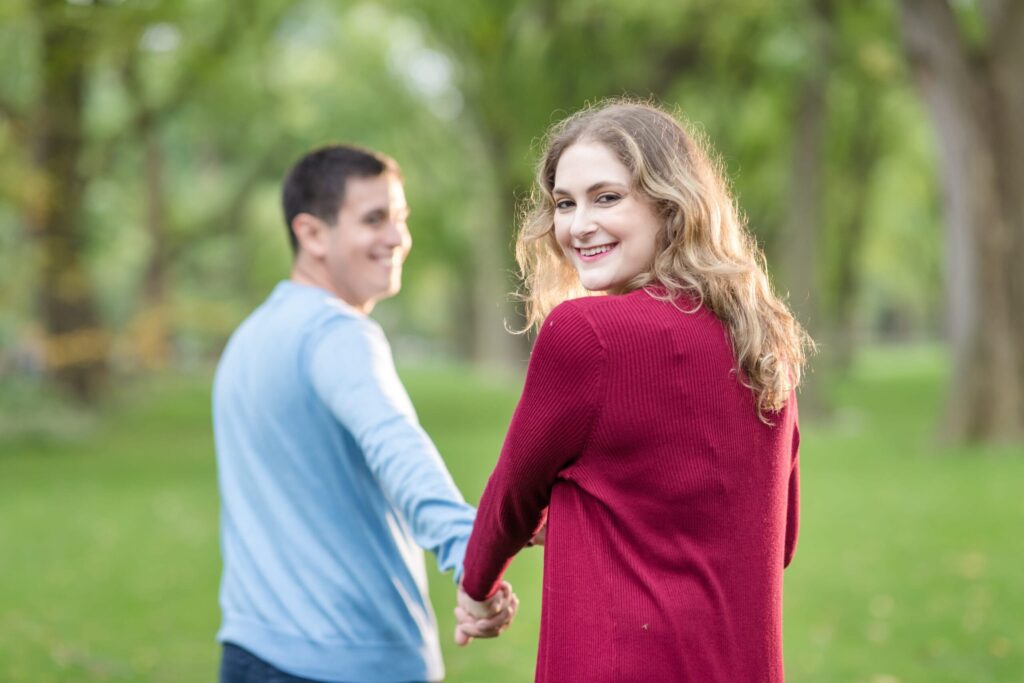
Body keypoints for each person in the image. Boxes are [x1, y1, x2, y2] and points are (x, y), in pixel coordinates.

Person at [455, 101, 812, 682]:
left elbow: (513, 493)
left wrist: (478, 590)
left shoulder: (585, 332)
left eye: (606, 197)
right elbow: (779, 539)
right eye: (564, 204)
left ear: (670, 204)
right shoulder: (761, 333)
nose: (577, 225)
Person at [212, 144, 516, 683]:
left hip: (248, 653)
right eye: (374, 219)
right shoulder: (337, 333)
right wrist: (475, 560)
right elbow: (397, 446)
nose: (398, 238)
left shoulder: (249, 338)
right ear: (312, 234)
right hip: (348, 663)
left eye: (401, 218)